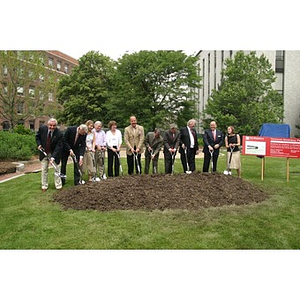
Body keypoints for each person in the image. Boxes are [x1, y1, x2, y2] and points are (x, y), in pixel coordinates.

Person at [35, 118, 63, 192]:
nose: (52, 127)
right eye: (50, 125)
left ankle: (58, 186)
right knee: (44, 169)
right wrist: (39, 144)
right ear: (48, 125)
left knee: (57, 169)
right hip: (44, 152)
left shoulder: (59, 134)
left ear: (56, 126)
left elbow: (58, 147)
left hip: (54, 153)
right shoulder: (42, 129)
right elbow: (37, 137)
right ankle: (44, 186)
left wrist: (53, 157)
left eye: (54, 126)